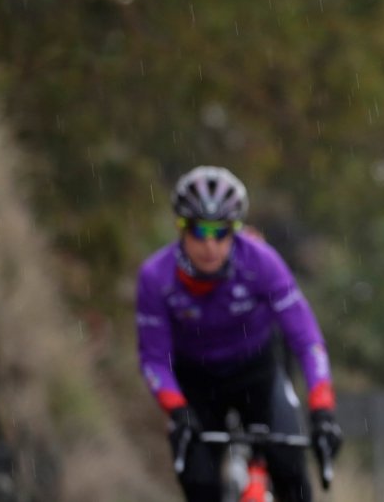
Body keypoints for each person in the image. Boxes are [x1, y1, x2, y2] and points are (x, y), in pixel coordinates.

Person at [136, 165, 342, 501]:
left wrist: (322, 410)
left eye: (222, 232)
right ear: (182, 228)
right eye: (199, 231)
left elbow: (306, 340)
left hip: (256, 373)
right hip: (197, 384)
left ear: (236, 230)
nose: (210, 244)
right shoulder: (156, 277)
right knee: (198, 483)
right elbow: (154, 357)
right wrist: (176, 409)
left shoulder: (261, 262)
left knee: (291, 472)